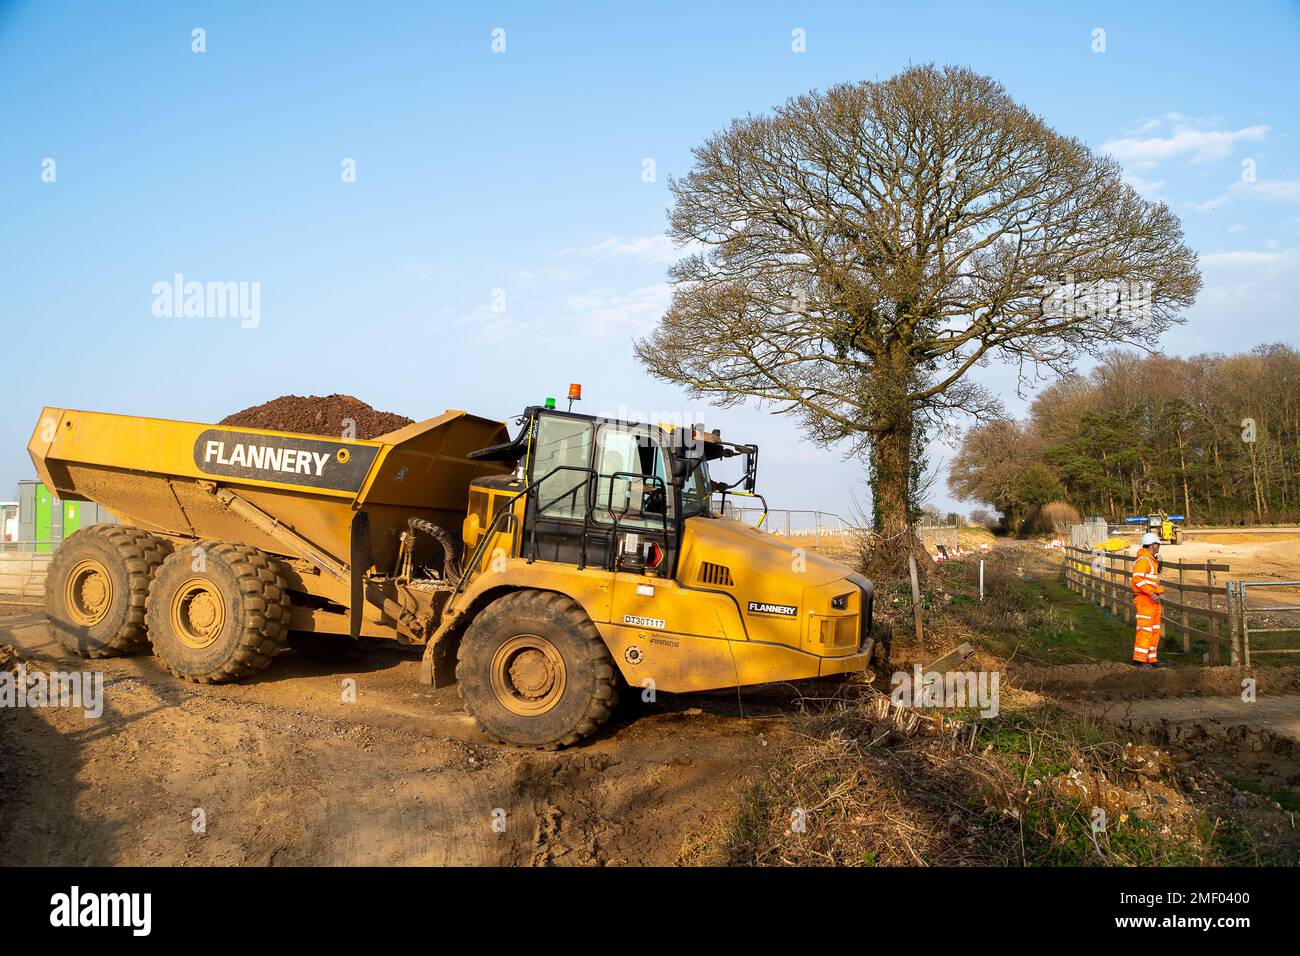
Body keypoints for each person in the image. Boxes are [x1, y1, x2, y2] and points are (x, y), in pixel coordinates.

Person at [1131, 531, 1165, 668]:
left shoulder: (1151, 560)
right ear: (1152, 545)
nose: (1159, 547)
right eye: (1158, 544)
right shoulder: (1144, 560)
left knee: (1154, 630)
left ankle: (1151, 659)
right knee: (1145, 630)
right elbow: (1137, 579)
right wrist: (1151, 593)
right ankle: (1139, 660)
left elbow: (1151, 581)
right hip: (1145, 600)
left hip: (1152, 601)